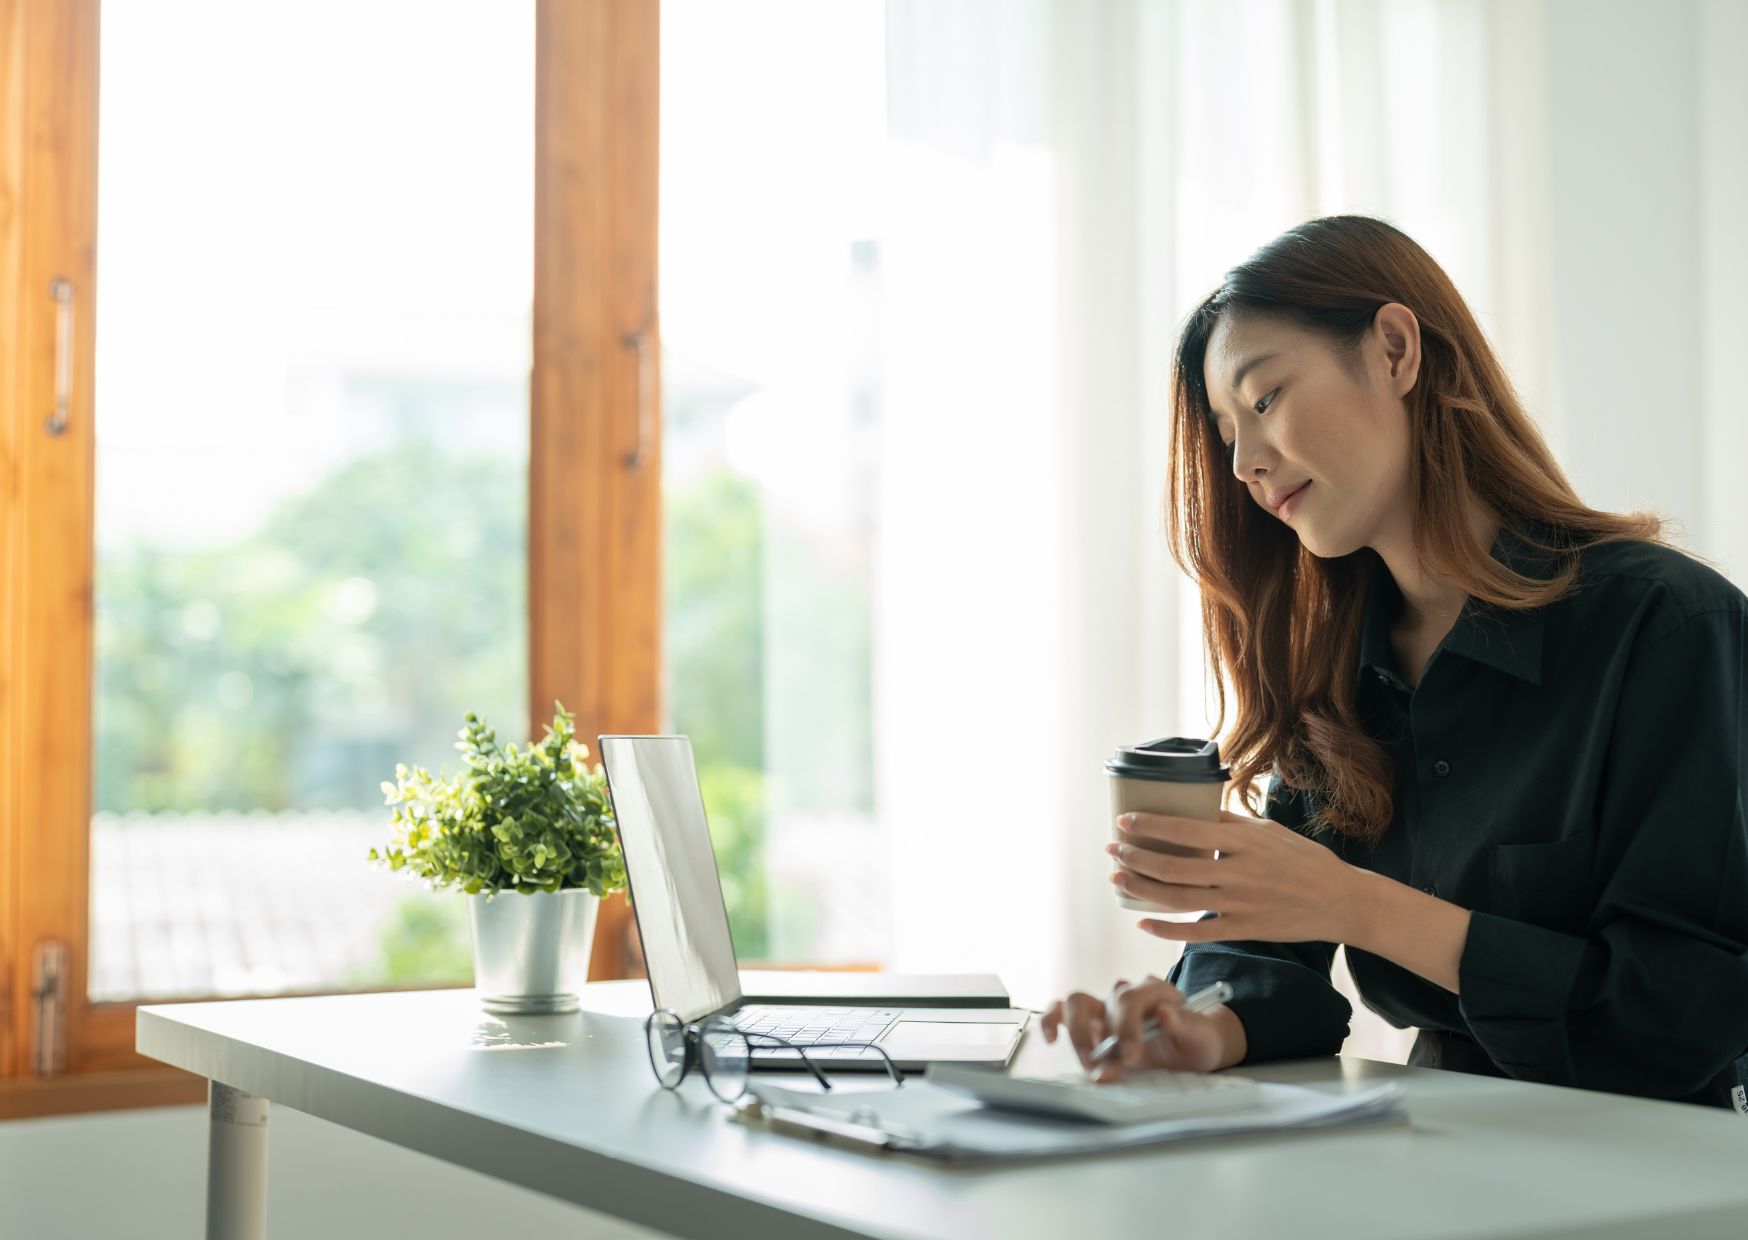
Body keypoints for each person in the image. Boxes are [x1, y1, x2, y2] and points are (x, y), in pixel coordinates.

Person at [1042, 214, 1748, 1111]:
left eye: (1262, 400)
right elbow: (1274, 957)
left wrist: (1355, 904)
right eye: (1226, 437)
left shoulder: (1666, 626)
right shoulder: (1335, 670)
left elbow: (1680, 1016)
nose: (1247, 464)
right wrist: (1200, 1025)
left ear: (1395, 350)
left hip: (1667, 1171)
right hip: (1444, 1144)